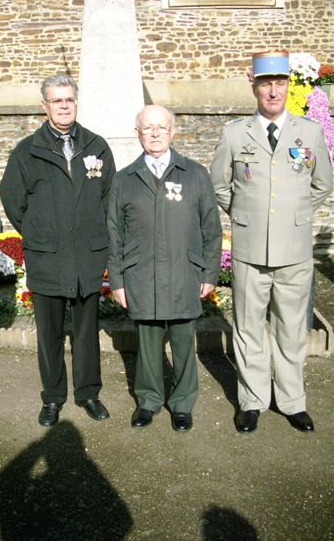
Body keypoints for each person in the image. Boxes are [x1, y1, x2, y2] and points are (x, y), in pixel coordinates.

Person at [210, 50, 333, 433]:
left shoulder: (309, 132)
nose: (273, 91)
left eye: (280, 83)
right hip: (250, 251)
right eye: (266, 84)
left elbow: (322, 183)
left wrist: (294, 215)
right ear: (255, 87)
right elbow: (219, 184)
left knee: (291, 330)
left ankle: (292, 401)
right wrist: (246, 214)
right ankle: (252, 401)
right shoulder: (234, 133)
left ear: (288, 86)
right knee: (248, 328)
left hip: (294, 251)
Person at [0, 74, 116, 427]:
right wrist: (41, 233)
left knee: (86, 331)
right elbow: (13, 200)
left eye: (69, 100)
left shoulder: (96, 146)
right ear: (45, 106)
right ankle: (52, 397)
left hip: (87, 256)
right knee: (49, 334)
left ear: (75, 103)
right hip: (47, 256)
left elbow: (109, 198)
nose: (64, 106)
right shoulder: (27, 151)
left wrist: (94, 233)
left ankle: (89, 393)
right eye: (57, 100)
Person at [107, 105, 222, 431]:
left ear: (173, 132)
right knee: (147, 344)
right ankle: (148, 400)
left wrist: (209, 273)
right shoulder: (124, 179)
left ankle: (182, 403)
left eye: (161, 127)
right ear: (138, 134)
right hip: (141, 275)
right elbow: (114, 233)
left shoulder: (194, 174)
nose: (155, 133)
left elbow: (211, 229)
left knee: (184, 343)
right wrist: (117, 280)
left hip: (184, 273)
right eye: (148, 128)